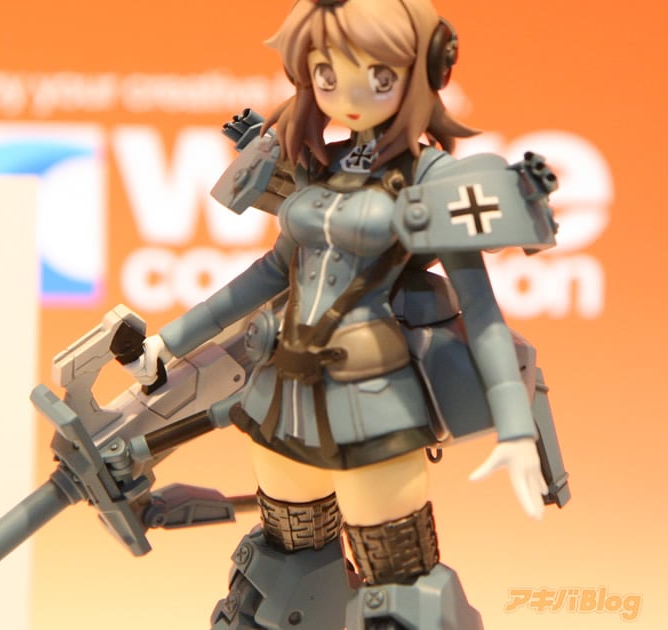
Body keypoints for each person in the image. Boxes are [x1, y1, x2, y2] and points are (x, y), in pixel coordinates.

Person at [127, 1, 555, 627]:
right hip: (286, 396)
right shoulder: (317, 167)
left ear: (423, 72)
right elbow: (270, 274)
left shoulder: (434, 179)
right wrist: (168, 341)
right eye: (328, 75)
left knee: (400, 593)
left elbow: (482, 311)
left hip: (374, 400)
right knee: (282, 573)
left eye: (377, 77)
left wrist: (515, 427)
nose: (348, 95)